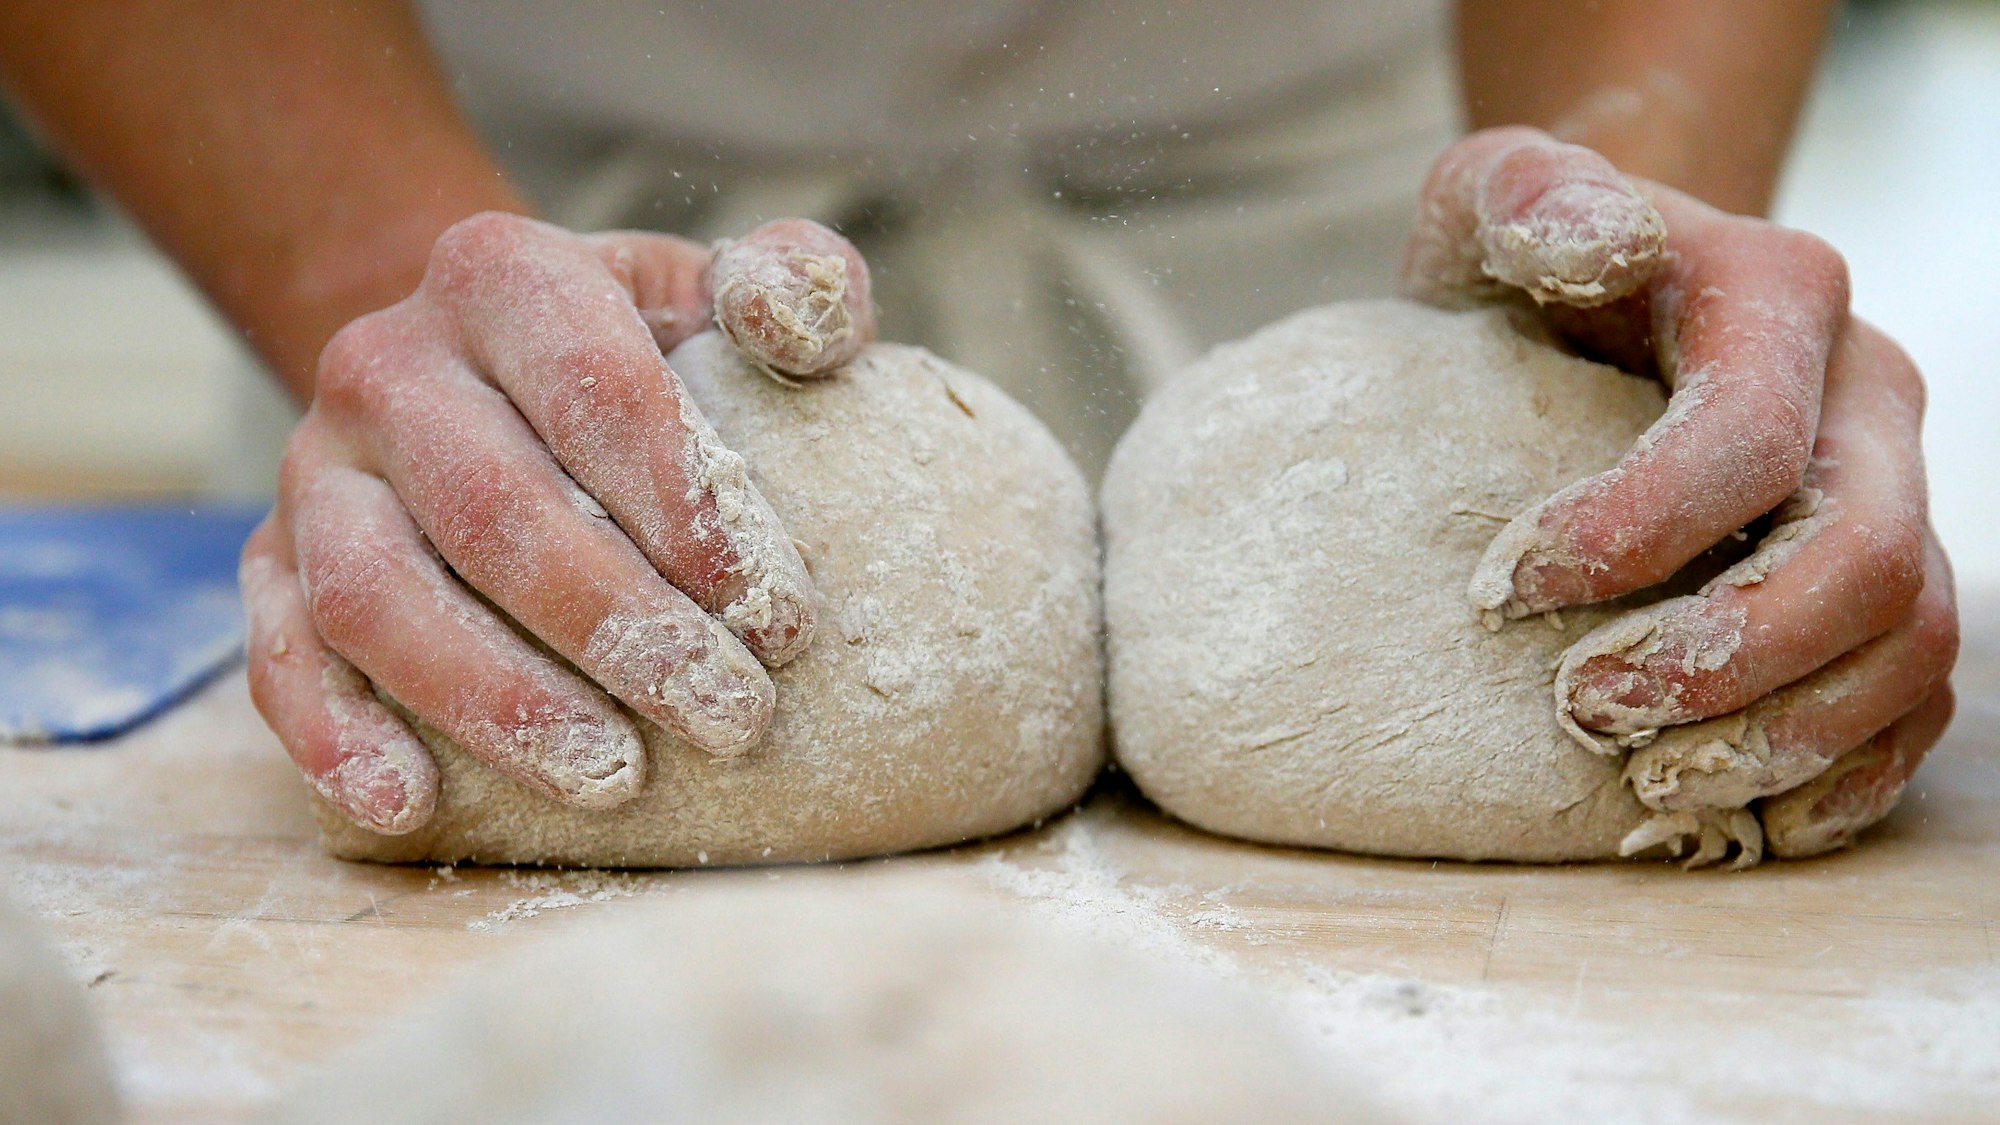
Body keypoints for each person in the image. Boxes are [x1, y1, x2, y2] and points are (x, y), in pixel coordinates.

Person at [0, 1, 1956, 846]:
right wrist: (394, 284)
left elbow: (1617, 210)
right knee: (515, 647)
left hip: (1384, 290)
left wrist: (1629, 208)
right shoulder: (478, 349)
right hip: (500, 261)